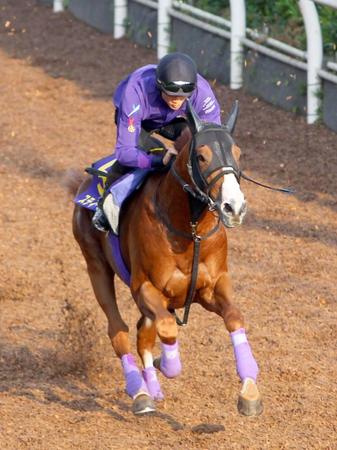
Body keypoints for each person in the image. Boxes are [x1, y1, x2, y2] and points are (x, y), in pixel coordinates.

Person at [92, 52, 221, 233]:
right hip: (140, 121)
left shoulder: (202, 92)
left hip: (175, 121)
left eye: (183, 96)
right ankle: (104, 203)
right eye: (170, 94)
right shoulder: (136, 91)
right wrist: (157, 161)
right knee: (143, 154)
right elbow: (125, 152)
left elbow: (212, 139)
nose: (176, 100)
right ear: (159, 86)